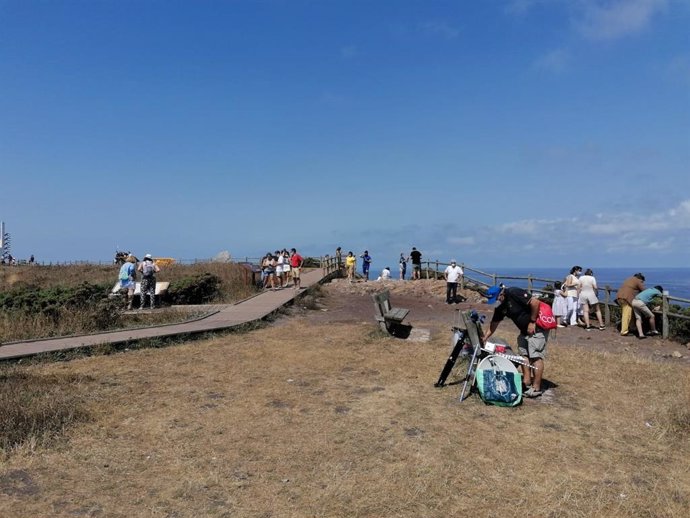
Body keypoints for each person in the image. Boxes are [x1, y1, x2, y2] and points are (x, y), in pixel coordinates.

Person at [483, 285, 549, 398]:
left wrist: (532, 322)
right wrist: (485, 337)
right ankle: (526, 382)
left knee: (535, 357)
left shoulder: (514, 292)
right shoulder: (500, 307)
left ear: (501, 295)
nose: (495, 303)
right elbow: (494, 323)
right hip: (524, 331)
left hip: (536, 329)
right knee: (524, 355)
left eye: (496, 300)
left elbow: (535, 302)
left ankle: (536, 388)